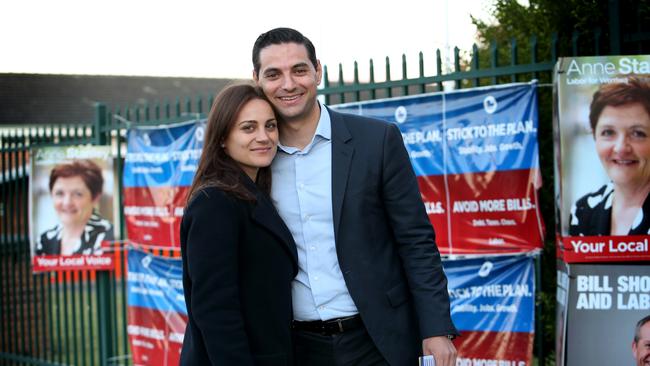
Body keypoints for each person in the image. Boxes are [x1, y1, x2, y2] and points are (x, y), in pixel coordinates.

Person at [252, 28, 458, 366]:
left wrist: (436, 328)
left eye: (299, 70)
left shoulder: (376, 141)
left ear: (317, 70)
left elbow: (415, 241)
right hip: (293, 347)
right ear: (257, 79)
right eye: (274, 74)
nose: (288, 84)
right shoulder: (254, 159)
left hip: (377, 342)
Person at [179, 84, 298, 365]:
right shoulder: (214, 202)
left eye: (270, 126)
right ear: (222, 138)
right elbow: (215, 310)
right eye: (248, 128)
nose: (263, 137)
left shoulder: (252, 193)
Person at [569, 77, 650, 236]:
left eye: (638, 133)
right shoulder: (583, 210)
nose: (621, 148)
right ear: (594, 136)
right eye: (608, 132)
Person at [35, 159, 113, 255]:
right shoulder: (45, 240)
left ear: (95, 197)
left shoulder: (110, 239)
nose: (67, 202)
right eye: (60, 193)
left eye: (77, 194)